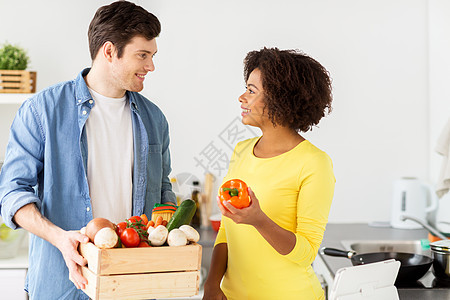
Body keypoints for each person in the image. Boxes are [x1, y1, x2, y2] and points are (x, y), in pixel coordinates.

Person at [0, 1, 176, 299]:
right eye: (142, 55)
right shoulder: (42, 111)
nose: (151, 66)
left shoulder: (154, 119)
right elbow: (12, 193)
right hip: (63, 285)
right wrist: (60, 238)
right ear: (109, 51)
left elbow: (162, 190)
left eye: (152, 55)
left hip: (133, 286)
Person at [203, 47, 335, 300]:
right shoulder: (241, 150)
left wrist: (258, 220)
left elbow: (306, 253)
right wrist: (212, 285)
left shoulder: (314, 163)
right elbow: (226, 228)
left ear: (280, 99)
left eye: (252, 91)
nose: (242, 97)